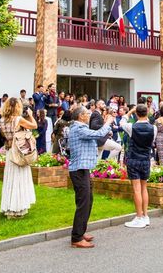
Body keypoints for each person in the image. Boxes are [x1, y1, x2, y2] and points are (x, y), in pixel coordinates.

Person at [67, 105, 115, 248]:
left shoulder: (81, 128)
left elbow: (96, 137)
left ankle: (80, 232)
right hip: (79, 169)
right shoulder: (79, 128)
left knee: (88, 200)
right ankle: (76, 237)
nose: (89, 115)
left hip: (83, 169)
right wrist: (107, 123)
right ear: (81, 116)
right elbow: (98, 134)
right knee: (83, 202)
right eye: (87, 113)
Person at [119, 104, 156, 228]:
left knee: (136, 189)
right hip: (146, 159)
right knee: (144, 188)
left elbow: (122, 121)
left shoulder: (131, 127)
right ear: (147, 113)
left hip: (134, 159)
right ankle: (145, 215)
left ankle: (139, 217)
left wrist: (130, 112)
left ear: (136, 113)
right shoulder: (153, 128)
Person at [0, 98, 37, 218]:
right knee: (20, 179)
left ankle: (10, 207)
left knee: (11, 179)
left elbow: (5, 136)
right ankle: (18, 208)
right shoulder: (18, 119)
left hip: (10, 151)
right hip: (19, 151)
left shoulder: (2, 120)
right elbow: (34, 126)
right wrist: (30, 115)